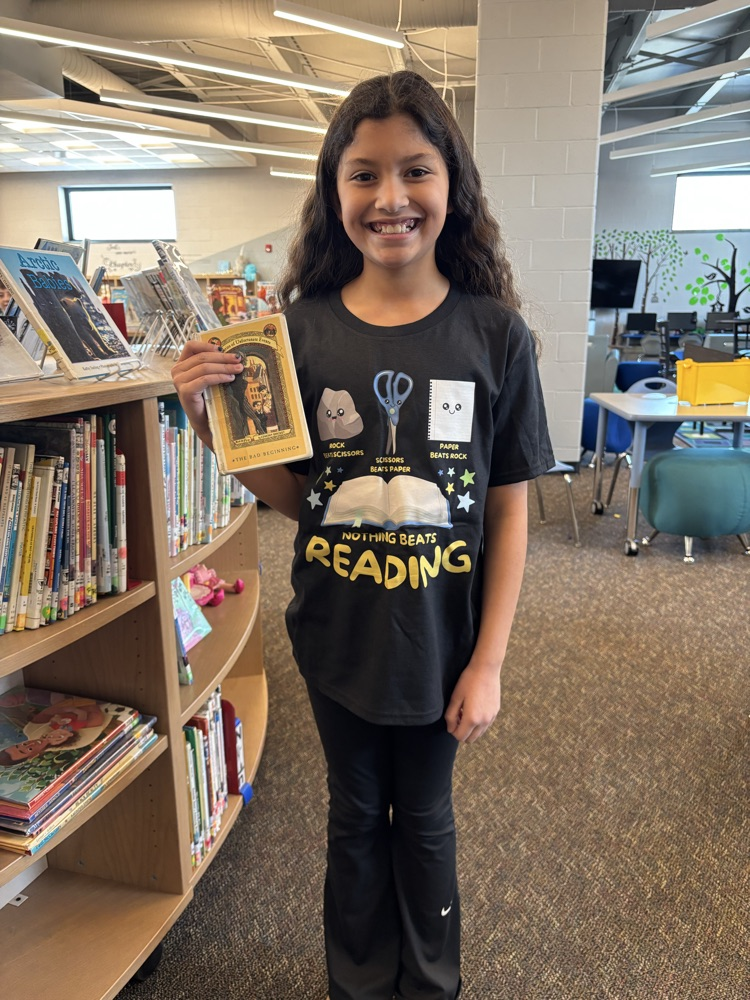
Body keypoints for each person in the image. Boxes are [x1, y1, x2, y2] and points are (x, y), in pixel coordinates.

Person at [172, 70, 553, 1000]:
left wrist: (491, 661)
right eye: (363, 175)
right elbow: (306, 499)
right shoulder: (297, 335)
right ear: (332, 191)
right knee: (353, 816)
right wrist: (213, 429)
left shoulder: (495, 335)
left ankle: (429, 983)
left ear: (451, 185)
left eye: (415, 171)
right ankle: (356, 983)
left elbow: (507, 506)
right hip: (336, 635)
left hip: (446, 645)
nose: (390, 199)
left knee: (423, 817)